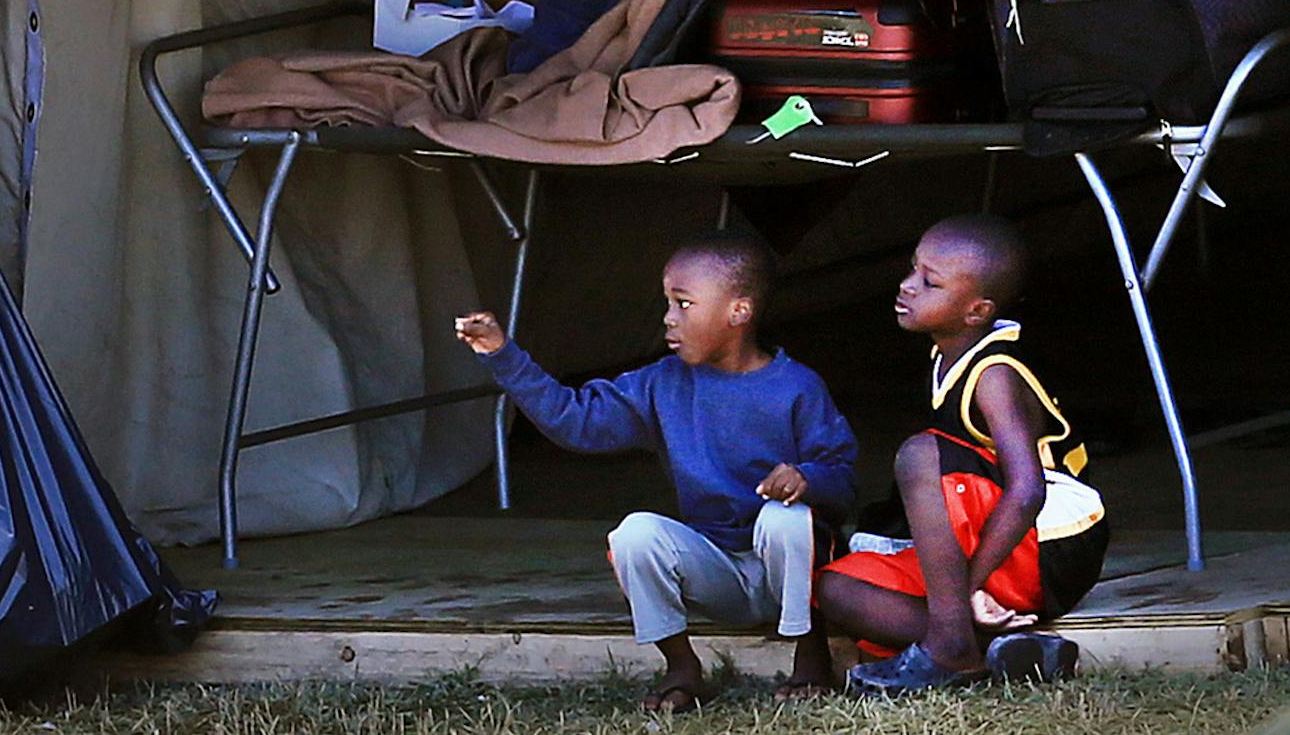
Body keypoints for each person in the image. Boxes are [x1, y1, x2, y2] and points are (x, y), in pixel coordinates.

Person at [455, 230, 856, 711]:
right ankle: (682, 667)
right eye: (667, 302)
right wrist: (504, 355)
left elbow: (844, 479)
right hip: (717, 571)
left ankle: (809, 654)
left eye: (683, 304)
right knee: (634, 534)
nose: (668, 318)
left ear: (739, 312)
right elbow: (575, 420)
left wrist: (807, 478)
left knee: (785, 517)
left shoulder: (796, 386)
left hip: (788, 571)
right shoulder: (661, 384)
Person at [806, 213, 1108, 695]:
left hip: (1049, 545)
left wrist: (968, 586)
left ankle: (948, 644)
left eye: (930, 282)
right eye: (912, 269)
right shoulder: (946, 354)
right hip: (998, 546)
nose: (907, 286)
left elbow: (1027, 491)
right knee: (834, 589)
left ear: (976, 311)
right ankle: (994, 649)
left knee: (921, 455)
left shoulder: (995, 373)